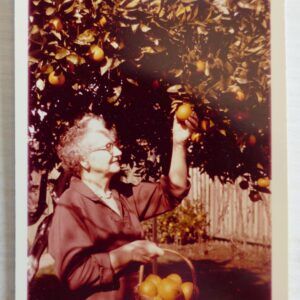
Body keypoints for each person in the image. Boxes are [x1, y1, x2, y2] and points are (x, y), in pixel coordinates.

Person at [48, 112, 198, 299]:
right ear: (84, 160)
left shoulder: (124, 195)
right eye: (108, 147)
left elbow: (173, 190)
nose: (118, 152)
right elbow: (73, 275)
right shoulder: (71, 205)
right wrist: (127, 253)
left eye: (115, 145)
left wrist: (179, 143)